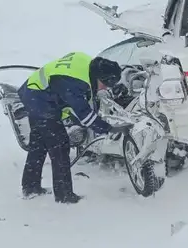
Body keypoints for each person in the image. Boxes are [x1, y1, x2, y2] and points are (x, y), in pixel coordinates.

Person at [17, 51, 124, 204]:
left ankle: (30, 187)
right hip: (40, 101)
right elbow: (84, 113)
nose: (104, 89)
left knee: (39, 144)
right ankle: (64, 195)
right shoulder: (74, 83)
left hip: (33, 91)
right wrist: (108, 128)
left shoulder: (86, 62)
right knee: (60, 146)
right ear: (100, 78)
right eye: (105, 85)